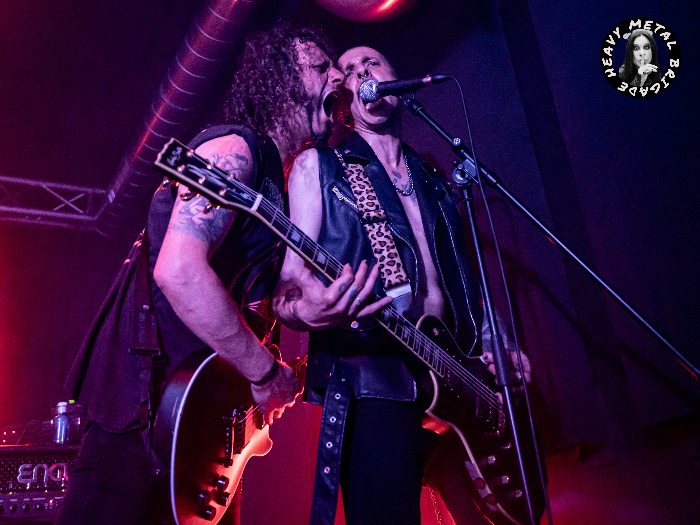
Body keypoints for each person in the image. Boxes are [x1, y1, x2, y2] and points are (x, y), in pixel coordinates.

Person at [56, 24, 343, 525]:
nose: (338, 77)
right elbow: (179, 271)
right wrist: (263, 372)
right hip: (145, 409)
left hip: (203, 421)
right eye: (322, 67)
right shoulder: (235, 150)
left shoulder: (279, 182)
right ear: (281, 81)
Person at [272, 46, 532, 525]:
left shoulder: (432, 177)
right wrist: (309, 310)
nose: (362, 72)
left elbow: (464, 279)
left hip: (456, 377)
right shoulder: (319, 168)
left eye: (372, 63)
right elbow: (289, 288)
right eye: (350, 71)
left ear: (394, 77)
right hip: (374, 383)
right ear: (344, 96)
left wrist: (499, 342)